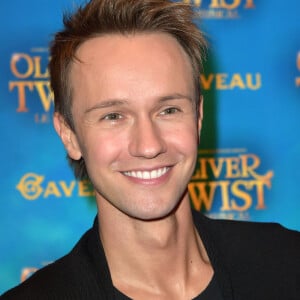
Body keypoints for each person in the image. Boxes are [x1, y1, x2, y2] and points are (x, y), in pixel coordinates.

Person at [2, 0, 300, 299]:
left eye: (168, 110)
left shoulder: (288, 262)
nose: (149, 146)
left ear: (197, 117)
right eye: (113, 116)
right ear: (69, 135)